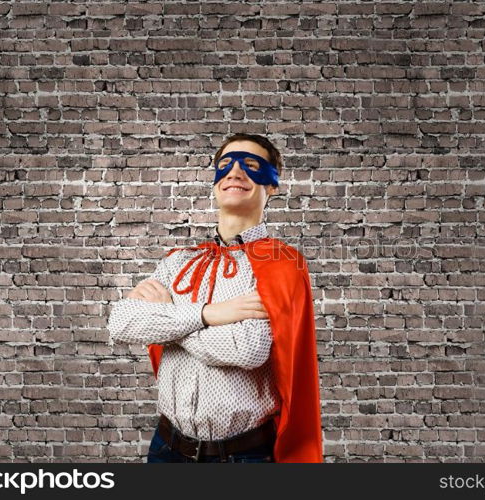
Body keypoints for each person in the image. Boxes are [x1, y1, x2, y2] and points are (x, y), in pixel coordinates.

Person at [107, 133, 323, 463]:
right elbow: (121, 323)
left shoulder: (281, 264)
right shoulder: (178, 261)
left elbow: (247, 349)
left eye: (251, 166)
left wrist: (169, 316)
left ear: (272, 186)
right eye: (225, 165)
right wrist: (209, 314)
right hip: (167, 449)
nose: (235, 173)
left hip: (242, 455)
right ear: (215, 183)